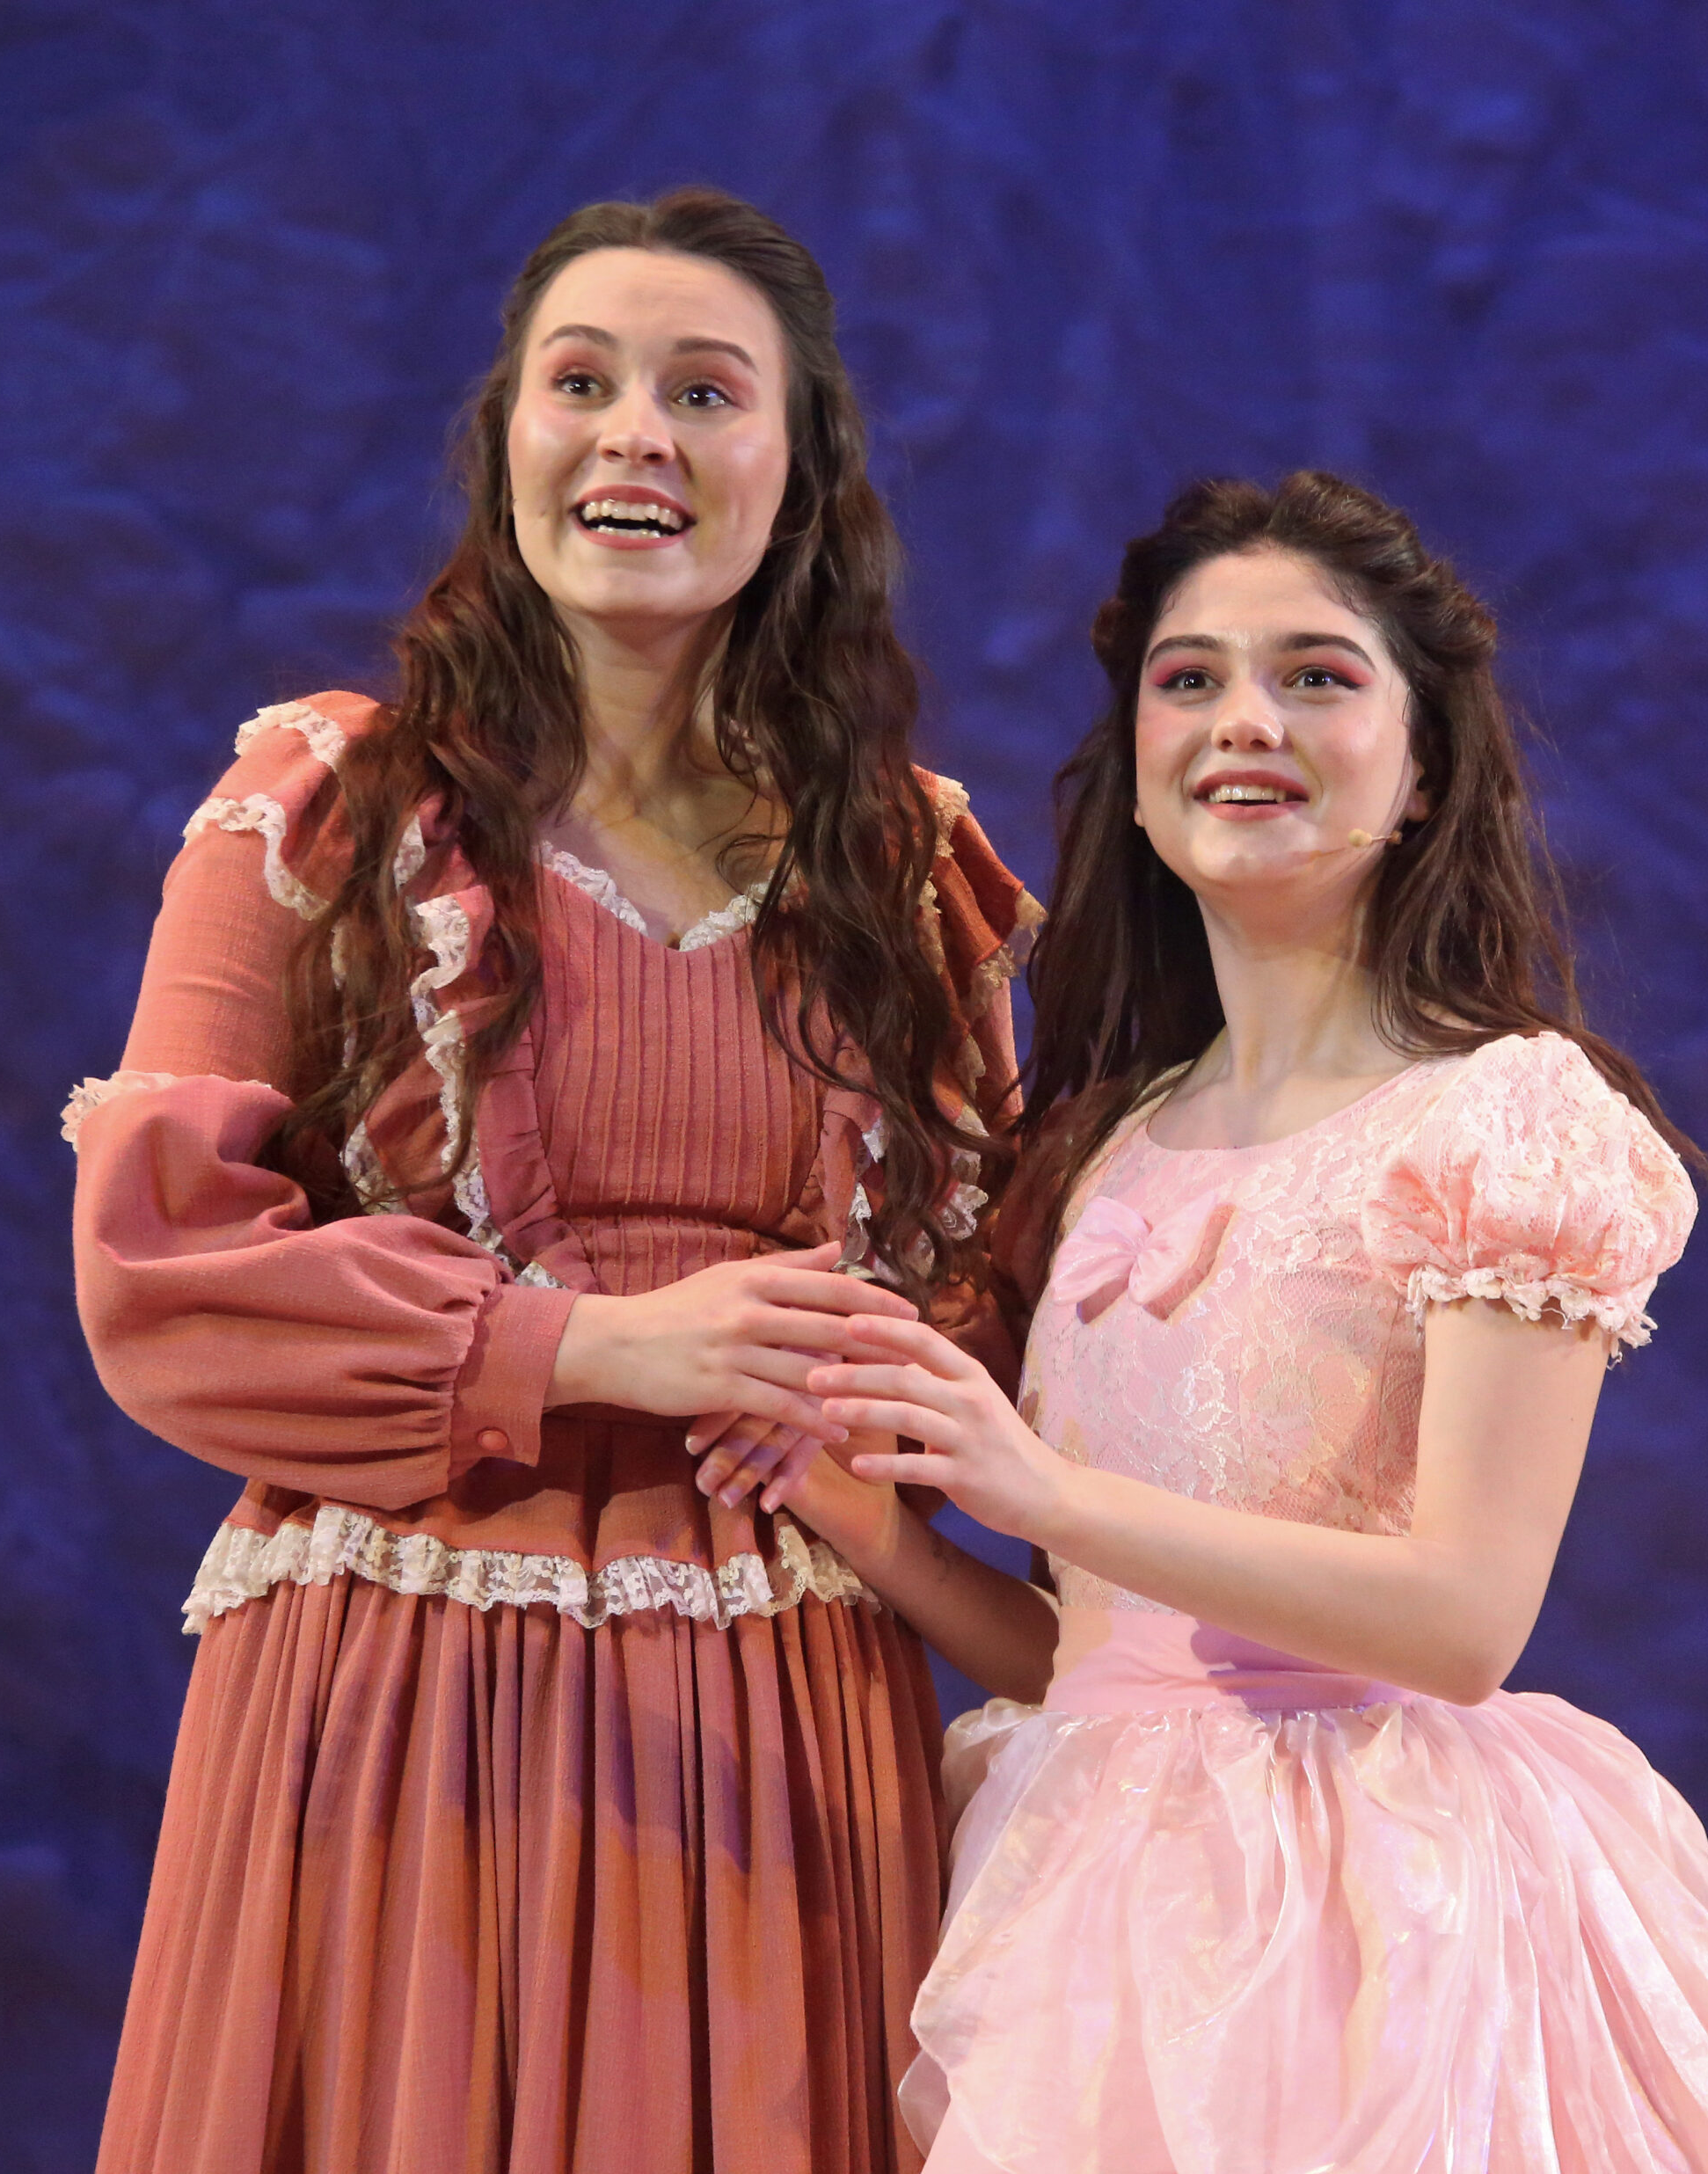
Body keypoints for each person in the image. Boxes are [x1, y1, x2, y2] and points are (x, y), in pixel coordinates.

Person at [67, 187, 1040, 2174]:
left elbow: (991, 1336)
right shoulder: (330, 805)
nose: (635, 435)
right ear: (507, 434)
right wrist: (590, 1346)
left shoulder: (904, 872)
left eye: (706, 391)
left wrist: (878, 1445)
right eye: (580, 382)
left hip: (783, 1723)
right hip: (405, 1701)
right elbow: (159, 1271)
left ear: (802, 469)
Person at [733, 473, 1708, 2171]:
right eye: (1190, 679)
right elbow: (1097, 1660)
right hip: (1090, 1908)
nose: (1244, 720)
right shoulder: (1101, 1144)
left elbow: (1464, 1620)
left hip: (1372, 1921)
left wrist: (1036, 1487)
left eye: (1316, 675)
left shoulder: (1501, 1122)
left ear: (1424, 767)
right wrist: (872, 1528)